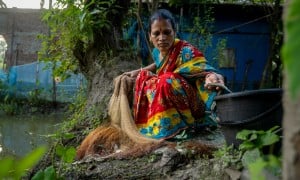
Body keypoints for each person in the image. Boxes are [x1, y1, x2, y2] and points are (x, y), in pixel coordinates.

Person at [123, 9, 224, 140]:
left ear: (174, 32)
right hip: (172, 99)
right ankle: (156, 125)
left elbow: (203, 69)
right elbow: (158, 64)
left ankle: (183, 126)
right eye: (156, 34)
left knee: (166, 80)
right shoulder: (156, 52)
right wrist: (139, 71)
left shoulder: (186, 51)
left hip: (193, 107)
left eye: (167, 32)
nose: (162, 38)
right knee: (144, 77)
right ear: (150, 36)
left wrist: (211, 77)